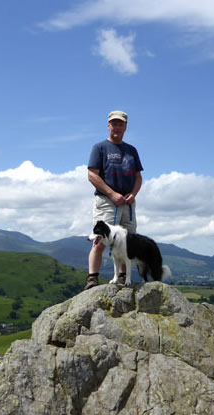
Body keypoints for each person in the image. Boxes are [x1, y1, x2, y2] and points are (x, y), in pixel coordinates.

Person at [83, 110, 144, 290]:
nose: (117, 127)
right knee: (100, 239)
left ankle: (123, 277)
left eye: (121, 124)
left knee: (127, 242)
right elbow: (92, 175)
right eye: (114, 123)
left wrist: (133, 194)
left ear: (125, 127)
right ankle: (92, 278)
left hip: (127, 203)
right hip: (106, 202)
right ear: (108, 125)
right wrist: (111, 194)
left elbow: (138, 177)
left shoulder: (131, 150)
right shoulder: (100, 148)